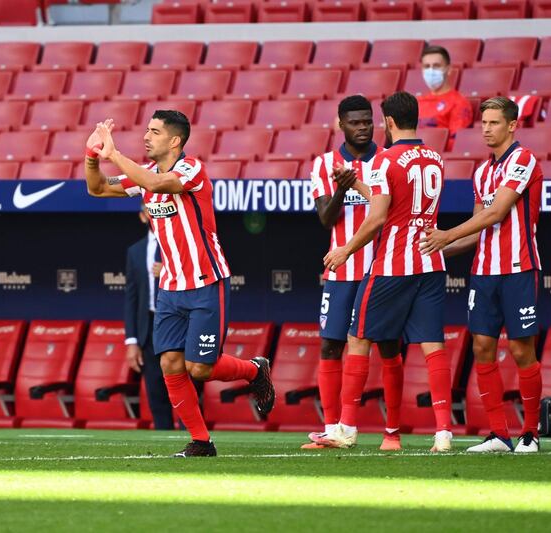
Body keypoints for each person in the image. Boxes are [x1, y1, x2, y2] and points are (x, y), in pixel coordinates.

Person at [84, 111, 274, 457]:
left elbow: (158, 185)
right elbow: (96, 189)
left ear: (174, 141)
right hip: (170, 287)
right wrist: (92, 156)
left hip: (206, 281)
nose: (146, 136)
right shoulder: (144, 176)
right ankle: (201, 441)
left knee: (199, 368)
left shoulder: (191, 170)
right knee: (170, 363)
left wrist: (114, 155)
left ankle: (253, 369)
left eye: (154, 132)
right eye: (146, 129)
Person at [322, 92, 454, 453]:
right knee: (433, 345)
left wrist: (345, 249)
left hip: (393, 263)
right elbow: (399, 203)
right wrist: (358, 185)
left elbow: (380, 216)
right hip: (430, 260)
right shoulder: (434, 158)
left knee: (358, 339)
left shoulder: (386, 159)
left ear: (389, 123)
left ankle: (346, 428)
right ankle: (443, 432)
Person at [420, 97, 543, 453]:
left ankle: (530, 433)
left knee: (521, 351)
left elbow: (496, 213)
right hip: (484, 273)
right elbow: (478, 230)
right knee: (482, 347)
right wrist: (434, 247)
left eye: (493, 123)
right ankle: (499, 434)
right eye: (484, 123)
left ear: (511, 125)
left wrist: (446, 234)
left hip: (518, 269)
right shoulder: (481, 171)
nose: (486, 129)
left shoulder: (523, 159)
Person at [303, 95, 384, 449]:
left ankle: (392, 431)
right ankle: (332, 427)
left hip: (382, 269)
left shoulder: (386, 160)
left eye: (368, 121)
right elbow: (325, 219)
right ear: (341, 124)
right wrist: (343, 186)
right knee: (331, 345)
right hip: (341, 271)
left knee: (390, 346)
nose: (363, 127)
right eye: (355, 122)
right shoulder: (324, 164)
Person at [124, 205, 173, 430]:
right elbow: (132, 298)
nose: (155, 216)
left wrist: (168, 271)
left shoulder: (177, 245)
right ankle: (164, 439)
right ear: (143, 216)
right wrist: (132, 341)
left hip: (176, 323)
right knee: (155, 389)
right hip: (149, 327)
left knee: (183, 383)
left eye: (158, 212)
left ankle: (194, 437)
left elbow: (194, 277)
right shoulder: (135, 251)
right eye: (150, 213)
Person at [418, 45, 473, 150]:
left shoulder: (459, 102)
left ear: (448, 69)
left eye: (436, 66)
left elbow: (456, 142)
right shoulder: (416, 102)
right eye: (427, 66)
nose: (431, 70)